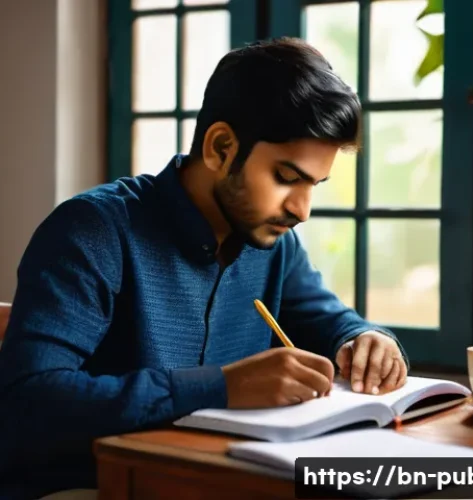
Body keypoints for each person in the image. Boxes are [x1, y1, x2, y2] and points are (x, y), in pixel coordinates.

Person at [0, 37, 409, 499]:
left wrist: (364, 340)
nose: (302, 209)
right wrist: (218, 387)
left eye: (315, 184)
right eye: (287, 178)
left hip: (214, 481)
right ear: (221, 147)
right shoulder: (93, 231)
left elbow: (329, 320)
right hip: (85, 487)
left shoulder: (273, 242)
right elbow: (30, 400)